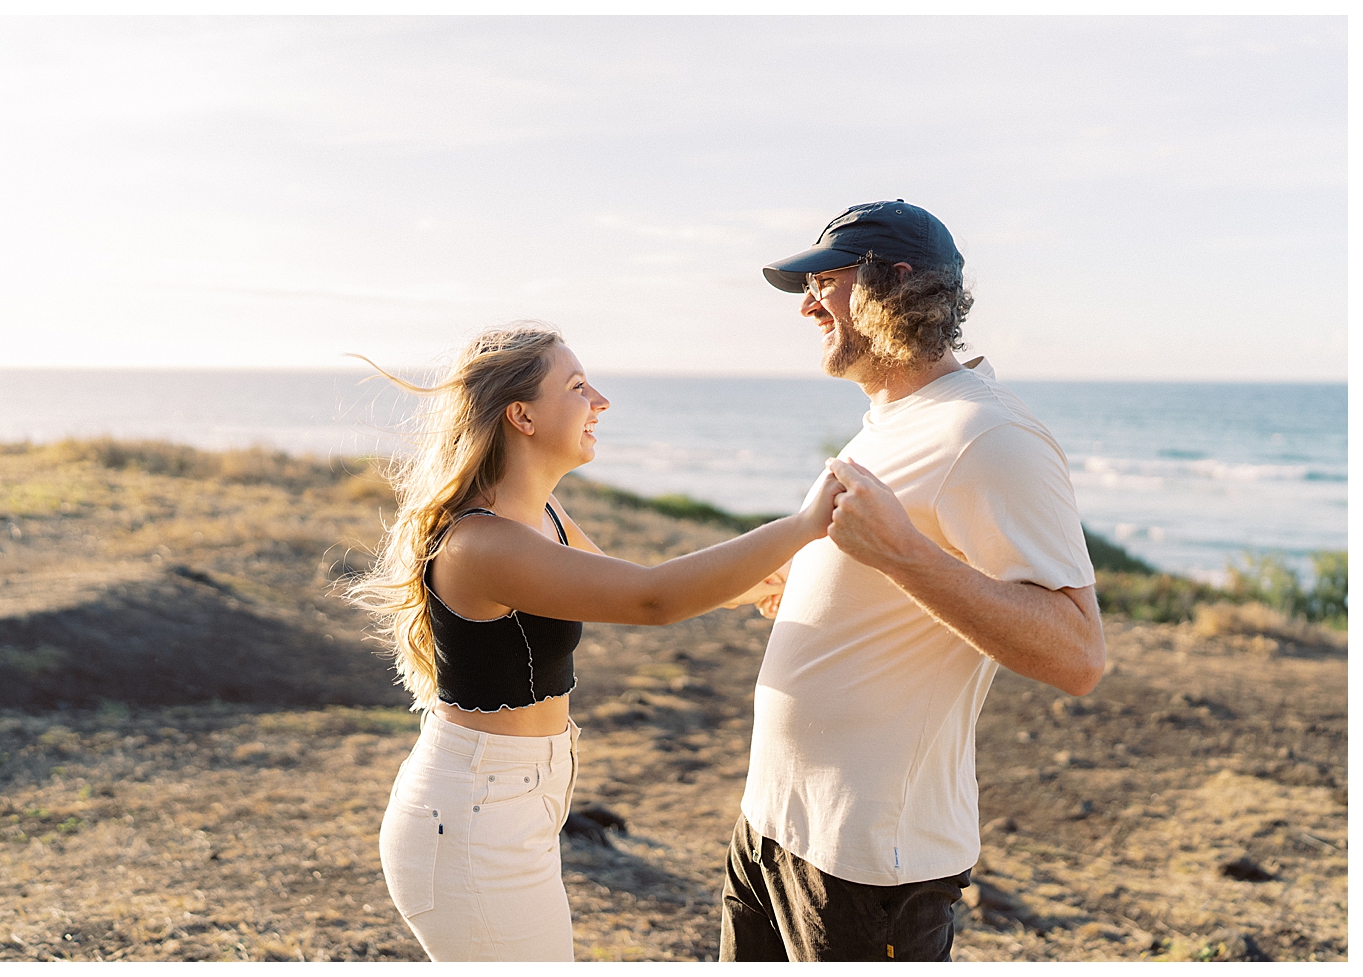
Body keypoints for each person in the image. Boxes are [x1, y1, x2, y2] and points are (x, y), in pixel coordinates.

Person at [345, 324, 843, 962]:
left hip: (511, 806)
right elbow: (651, 599)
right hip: (470, 820)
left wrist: (757, 586)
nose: (600, 401)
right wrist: (802, 525)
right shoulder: (482, 544)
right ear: (521, 415)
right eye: (578, 387)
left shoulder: (541, 517)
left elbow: (622, 587)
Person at [718, 200, 1107, 962]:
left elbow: (1077, 652)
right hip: (770, 833)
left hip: (868, 871)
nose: (805, 302)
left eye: (824, 280)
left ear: (891, 283)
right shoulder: (889, 420)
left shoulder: (989, 433)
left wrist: (900, 556)